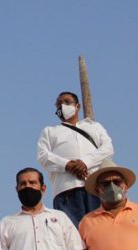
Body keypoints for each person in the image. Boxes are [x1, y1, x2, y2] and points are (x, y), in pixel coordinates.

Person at [36, 91, 114, 227]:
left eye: (66, 102)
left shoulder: (94, 127)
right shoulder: (50, 131)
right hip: (66, 191)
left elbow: (108, 148)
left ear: (77, 106)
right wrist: (67, 165)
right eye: (58, 104)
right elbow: (43, 156)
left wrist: (85, 163)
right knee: (72, 237)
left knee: (101, 230)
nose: (62, 106)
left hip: (95, 188)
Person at [0, 167, 85, 250]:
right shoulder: (7, 223)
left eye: (32, 183)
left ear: (43, 188)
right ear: (17, 189)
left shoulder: (60, 217)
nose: (27, 187)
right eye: (23, 184)